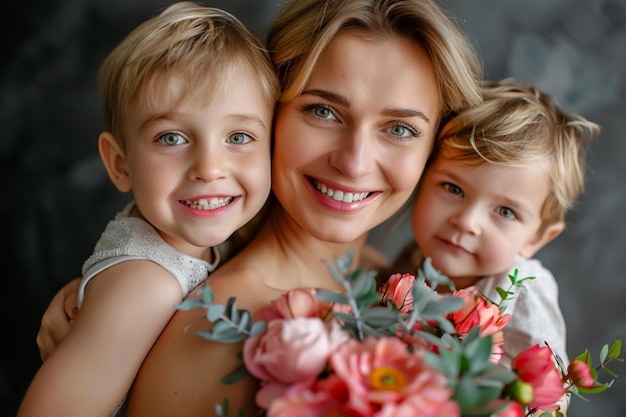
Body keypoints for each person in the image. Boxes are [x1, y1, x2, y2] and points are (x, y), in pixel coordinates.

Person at [34, 0, 484, 415]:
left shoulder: (388, 280)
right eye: (323, 112)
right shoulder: (225, 332)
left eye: (401, 129)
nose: (354, 162)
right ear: (272, 112)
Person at [17, 3, 278, 417]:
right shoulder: (147, 287)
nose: (209, 168)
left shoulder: (179, 238)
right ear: (120, 164)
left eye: (240, 136)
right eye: (172, 138)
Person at [390, 78, 601, 371]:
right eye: (453, 189)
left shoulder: (521, 289)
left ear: (537, 239)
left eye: (505, 211)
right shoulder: (409, 267)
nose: (466, 222)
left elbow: (550, 396)